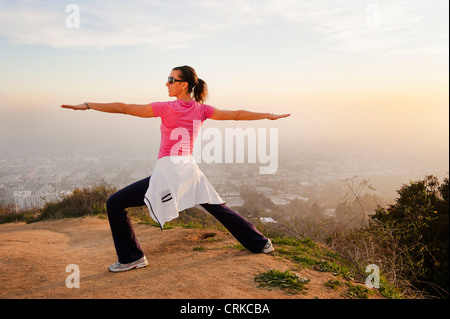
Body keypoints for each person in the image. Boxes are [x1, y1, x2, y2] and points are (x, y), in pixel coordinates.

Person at [61, 65, 290, 272]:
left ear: (184, 85)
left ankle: (132, 257)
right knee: (217, 207)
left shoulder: (167, 108)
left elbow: (124, 108)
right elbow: (238, 115)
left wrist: (88, 105)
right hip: (188, 169)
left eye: (171, 79)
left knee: (114, 203)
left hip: (170, 171)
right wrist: (269, 116)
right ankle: (261, 243)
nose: (167, 83)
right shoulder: (202, 110)